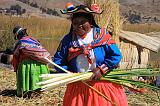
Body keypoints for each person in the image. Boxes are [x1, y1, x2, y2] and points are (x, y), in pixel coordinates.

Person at [53, 3, 128, 106]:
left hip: (101, 84)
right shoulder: (68, 40)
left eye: (83, 22)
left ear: (90, 22)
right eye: (75, 22)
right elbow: (58, 60)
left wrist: (101, 69)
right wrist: (68, 73)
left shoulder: (102, 36)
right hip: (78, 86)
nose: (79, 25)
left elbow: (115, 55)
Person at [12, 26, 51, 97]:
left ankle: (28, 91)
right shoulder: (34, 40)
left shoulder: (20, 42)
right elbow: (40, 52)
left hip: (27, 65)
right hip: (41, 64)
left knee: (25, 63)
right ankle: (37, 91)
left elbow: (16, 54)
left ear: (17, 35)